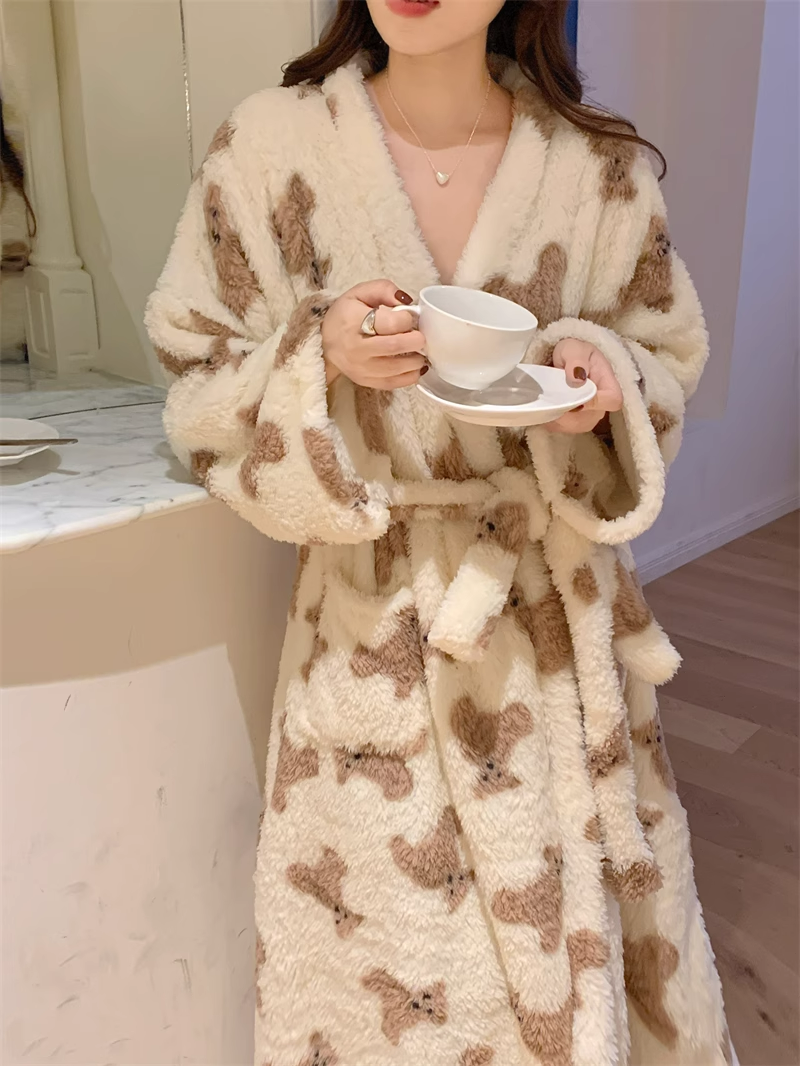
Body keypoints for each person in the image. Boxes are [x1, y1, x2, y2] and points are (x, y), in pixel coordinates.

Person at [146, 2, 732, 1063]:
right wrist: (315, 353)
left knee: (575, 976)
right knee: (382, 987)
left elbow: (664, 353)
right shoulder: (269, 149)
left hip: (551, 648)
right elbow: (196, 379)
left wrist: (603, 378)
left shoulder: (597, 171)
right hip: (367, 645)